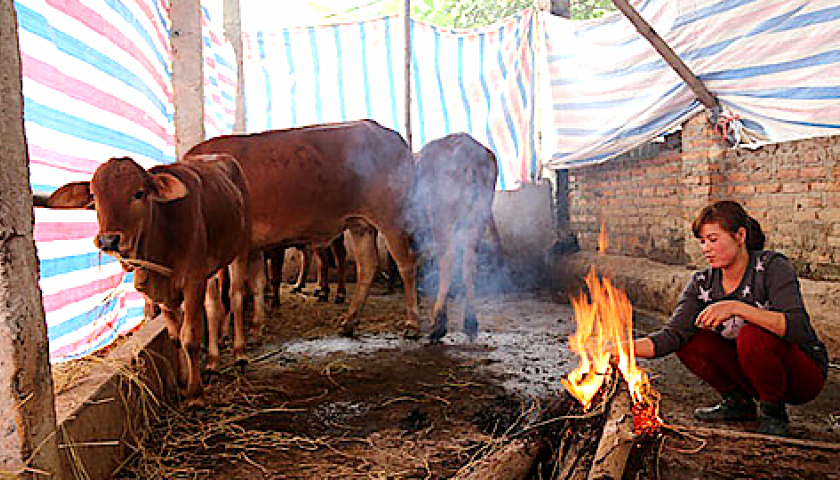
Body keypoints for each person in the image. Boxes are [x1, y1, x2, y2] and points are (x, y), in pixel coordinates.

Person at [630, 200, 827, 436]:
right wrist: (620, 350)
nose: (705, 249)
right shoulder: (702, 282)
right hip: (750, 372)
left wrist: (738, 308)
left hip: (802, 374)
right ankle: (738, 403)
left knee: (751, 334)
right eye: (702, 241)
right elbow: (671, 336)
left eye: (713, 240)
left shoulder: (772, 267)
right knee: (690, 339)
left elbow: (798, 327)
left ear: (740, 235)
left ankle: (774, 415)